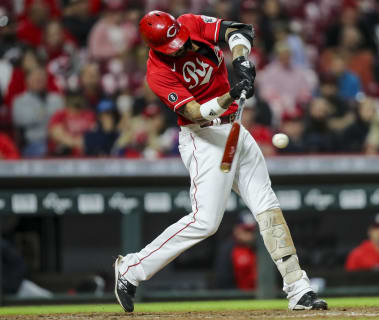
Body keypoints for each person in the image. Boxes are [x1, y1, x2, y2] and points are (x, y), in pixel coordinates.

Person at [114, 11, 327, 313]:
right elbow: (195, 112)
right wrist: (231, 95)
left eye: (178, 38)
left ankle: (298, 288)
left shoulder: (190, 23)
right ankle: (131, 269)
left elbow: (238, 30)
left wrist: (241, 60)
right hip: (204, 139)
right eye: (171, 45)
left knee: (267, 206)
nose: (181, 46)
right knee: (205, 221)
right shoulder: (157, 72)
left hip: (235, 130)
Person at [12, 67, 63, 157]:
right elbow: (21, 120)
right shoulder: (19, 101)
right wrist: (47, 114)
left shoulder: (57, 99)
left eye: (41, 78)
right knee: (44, 149)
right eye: (35, 78)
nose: (38, 81)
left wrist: (39, 115)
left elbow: (62, 118)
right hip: (34, 143)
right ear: (27, 81)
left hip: (59, 140)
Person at [214, 212, 257, 291]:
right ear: (237, 230)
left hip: (258, 297)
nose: (250, 234)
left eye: (252, 230)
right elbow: (223, 280)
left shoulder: (260, 249)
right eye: (246, 230)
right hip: (237, 298)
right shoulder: (228, 249)